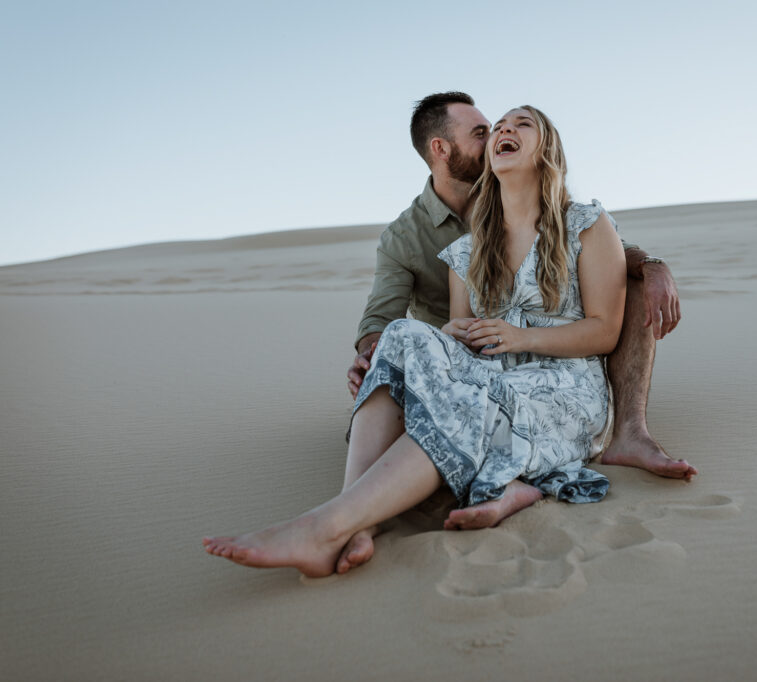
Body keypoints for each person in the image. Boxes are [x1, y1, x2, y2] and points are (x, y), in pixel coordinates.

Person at [203, 105, 626, 578]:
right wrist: (450, 334)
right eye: (498, 127)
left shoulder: (585, 223)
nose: (504, 129)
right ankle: (357, 520)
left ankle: (324, 527)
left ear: (548, 148)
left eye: (521, 124)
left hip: (565, 388)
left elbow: (605, 330)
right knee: (402, 334)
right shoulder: (467, 249)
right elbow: (454, 337)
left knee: (470, 402)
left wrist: (519, 336)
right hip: (492, 377)